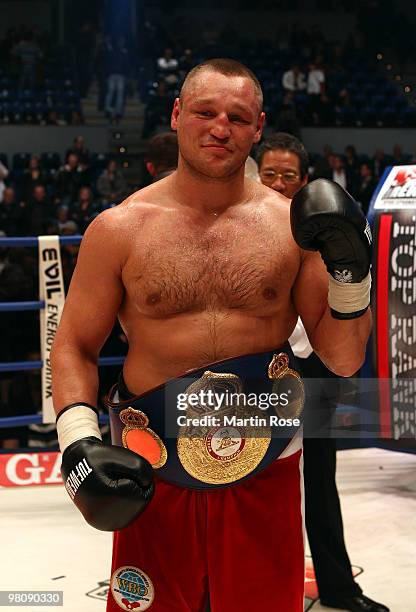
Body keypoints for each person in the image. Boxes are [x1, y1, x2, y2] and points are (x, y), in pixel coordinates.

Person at [51, 59, 372, 612]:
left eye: (238, 117)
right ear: (177, 115)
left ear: (257, 128)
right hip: (151, 472)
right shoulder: (119, 229)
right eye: (205, 111)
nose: (220, 128)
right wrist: (77, 443)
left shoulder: (291, 227)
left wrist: (351, 276)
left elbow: (342, 358)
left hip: (263, 468)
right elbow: (75, 345)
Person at [257, 132, 388, 612]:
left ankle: (338, 587)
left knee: (320, 479)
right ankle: (256, 587)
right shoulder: (241, 230)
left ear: (304, 181)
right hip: (259, 378)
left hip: (314, 370)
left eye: (288, 175)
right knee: (252, 483)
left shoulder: (322, 229)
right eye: (269, 173)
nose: (278, 183)